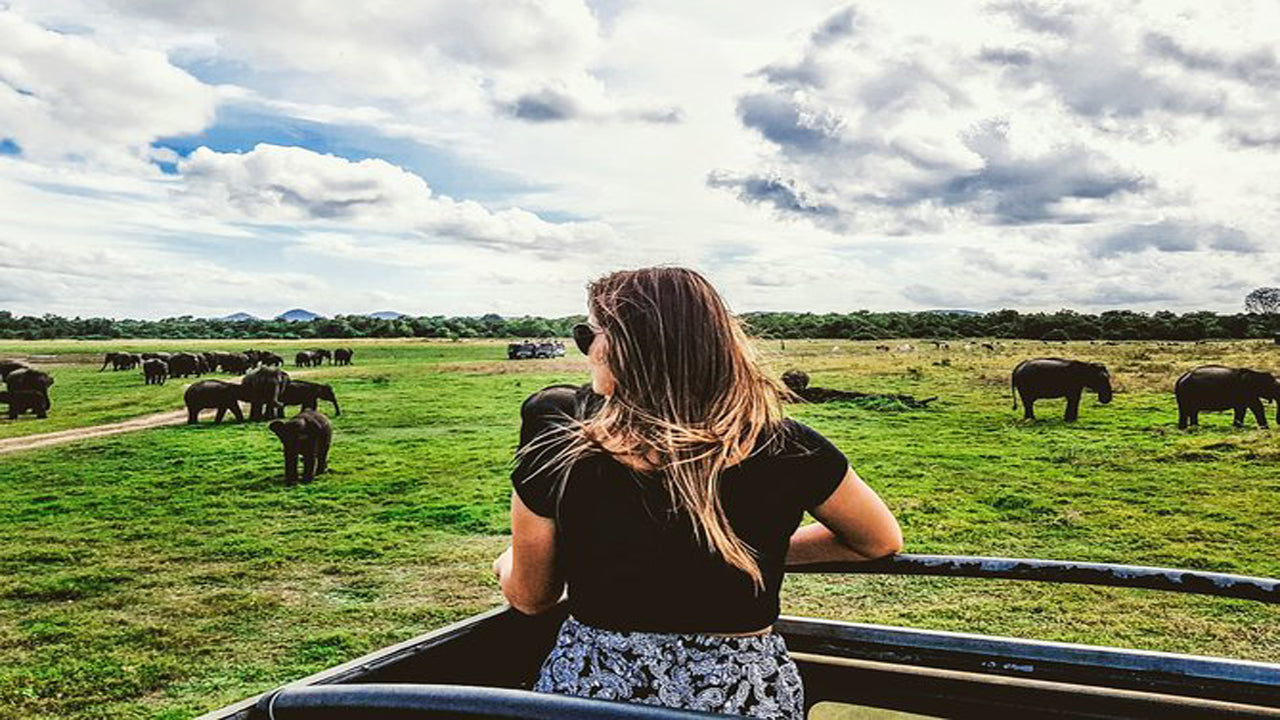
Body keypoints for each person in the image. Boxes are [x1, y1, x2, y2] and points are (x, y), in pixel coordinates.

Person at [493, 267, 903, 719]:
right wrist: (744, 553)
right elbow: (877, 541)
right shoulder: (790, 446)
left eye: (591, 333)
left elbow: (532, 598)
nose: (588, 350)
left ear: (631, 346)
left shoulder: (559, 452)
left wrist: (507, 562)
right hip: (741, 696)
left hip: (592, 691)